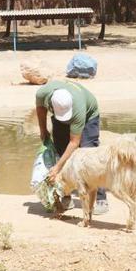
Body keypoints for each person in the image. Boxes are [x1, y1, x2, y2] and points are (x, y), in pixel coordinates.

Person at [36, 80, 108, 214]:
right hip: (61, 116)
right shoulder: (42, 93)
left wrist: (57, 168)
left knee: (90, 156)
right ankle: (66, 195)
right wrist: (43, 129)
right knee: (60, 150)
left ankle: (100, 198)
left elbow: (74, 143)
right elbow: (40, 109)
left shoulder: (79, 109)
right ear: (51, 102)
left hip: (88, 116)